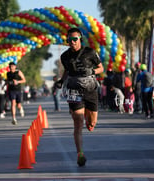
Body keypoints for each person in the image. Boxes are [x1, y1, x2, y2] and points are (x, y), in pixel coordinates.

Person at [55, 27, 104, 167]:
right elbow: (67, 71)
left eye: (75, 39)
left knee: (91, 124)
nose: (72, 42)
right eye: (69, 40)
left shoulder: (90, 52)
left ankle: (90, 121)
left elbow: (101, 68)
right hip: (74, 91)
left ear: (80, 39)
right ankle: (80, 154)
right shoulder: (64, 56)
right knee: (78, 122)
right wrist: (61, 81)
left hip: (90, 90)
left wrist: (92, 70)